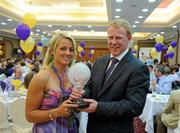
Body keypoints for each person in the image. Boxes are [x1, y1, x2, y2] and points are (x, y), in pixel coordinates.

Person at [71, 18, 150, 133]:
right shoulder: (99, 61)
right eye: (110, 37)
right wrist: (82, 93)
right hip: (93, 127)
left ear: (129, 38)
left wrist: (98, 107)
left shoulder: (138, 68)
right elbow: (90, 86)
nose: (113, 42)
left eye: (118, 38)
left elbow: (134, 106)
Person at [25, 32, 79, 133]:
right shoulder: (42, 77)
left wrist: (79, 104)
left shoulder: (74, 76)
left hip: (71, 129)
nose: (68, 53)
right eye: (63, 48)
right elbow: (29, 115)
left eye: (71, 49)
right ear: (52, 51)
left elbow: (74, 109)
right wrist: (57, 112)